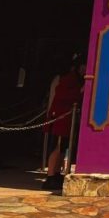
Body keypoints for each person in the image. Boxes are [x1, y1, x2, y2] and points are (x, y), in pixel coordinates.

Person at [43, 55, 84, 190]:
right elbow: (61, 95)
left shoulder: (76, 79)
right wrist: (79, 92)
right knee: (57, 147)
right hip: (60, 117)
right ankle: (50, 176)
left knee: (63, 148)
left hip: (67, 119)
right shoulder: (68, 78)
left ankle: (56, 173)